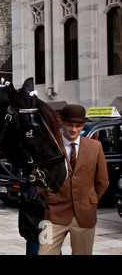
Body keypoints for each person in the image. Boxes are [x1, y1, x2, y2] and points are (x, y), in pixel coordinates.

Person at [38, 104, 109, 255]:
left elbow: (103, 181)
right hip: (54, 214)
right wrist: (51, 196)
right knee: (44, 253)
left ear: (83, 124)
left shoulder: (96, 147)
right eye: (70, 124)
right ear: (62, 122)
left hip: (85, 215)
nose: (74, 129)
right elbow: (41, 179)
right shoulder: (50, 146)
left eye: (78, 125)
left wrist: (91, 200)